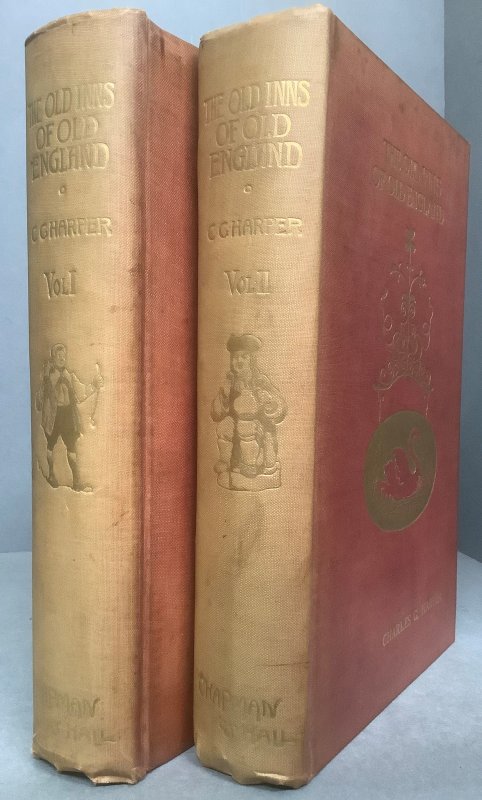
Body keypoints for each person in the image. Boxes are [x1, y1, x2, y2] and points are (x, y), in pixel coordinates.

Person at [211, 334, 287, 480]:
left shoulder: (260, 381)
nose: (239, 361)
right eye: (235, 357)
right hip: (236, 432)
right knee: (224, 426)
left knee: (245, 424)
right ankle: (226, 461)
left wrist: (268, 402)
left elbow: (279, 406)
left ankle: (249, 465)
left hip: (258, 429)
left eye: (244, 357)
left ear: (251, 359)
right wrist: (223, 396)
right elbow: (216, 414)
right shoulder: (230, 382)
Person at [35, 343, 104, 491]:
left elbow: (80, 393)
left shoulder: (69, 376)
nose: (62, 358)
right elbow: (39, 399)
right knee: (50, 445)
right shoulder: (47, 377)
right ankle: (51, 474)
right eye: (58, 355)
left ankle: (76, 482)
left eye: (64, 356)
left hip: (67, 415)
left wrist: (94, 385)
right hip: (52, 416)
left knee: (71, 446)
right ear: (53, 358)